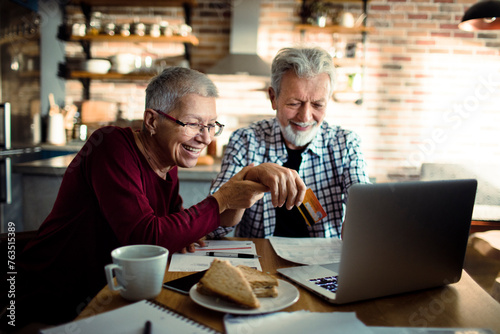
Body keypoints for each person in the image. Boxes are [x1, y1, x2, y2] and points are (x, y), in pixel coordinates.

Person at [4, 67, 305, 330]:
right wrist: (223, 198)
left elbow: (181, 232)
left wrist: (246, 185)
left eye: (212, 124)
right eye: (193, 124)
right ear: (151, 120)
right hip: (51, 297)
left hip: (112, 290)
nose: (207, 137)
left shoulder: (167, 163)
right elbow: (146, 238)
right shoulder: (111, 144)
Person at [209, 46, 370, 239]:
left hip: (323, 264)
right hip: (259, 262)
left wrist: (363, 219)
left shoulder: (345, 144)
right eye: (294, 104)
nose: (305, 116)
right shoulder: (245, 141)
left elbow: (362, 198)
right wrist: (250, 178)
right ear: (273, 98)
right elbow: (212, 227)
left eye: (318, 104)